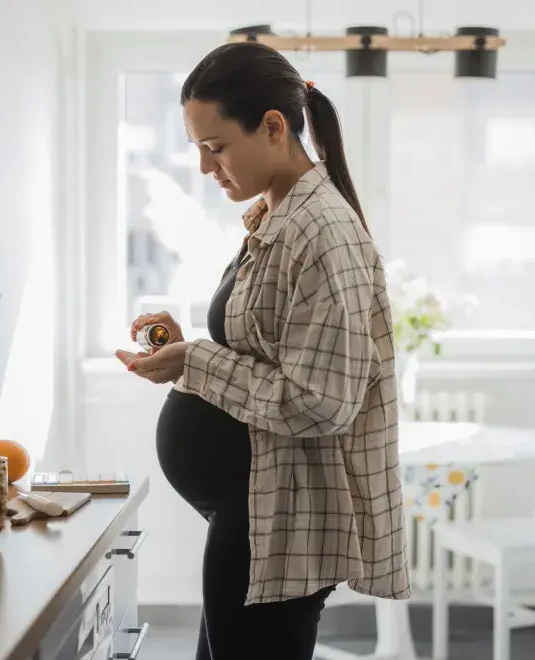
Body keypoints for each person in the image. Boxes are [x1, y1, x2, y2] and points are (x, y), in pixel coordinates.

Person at [116, 41, 409, 660]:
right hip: (258, 514)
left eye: (215, 147)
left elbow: (319, 402)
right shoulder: (276, 217)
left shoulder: (321, 230)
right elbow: (266, 348)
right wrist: (185, 343)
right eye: (197, 148)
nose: (203, 167)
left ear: (273, 127)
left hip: (282, 519)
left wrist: (194, 360)